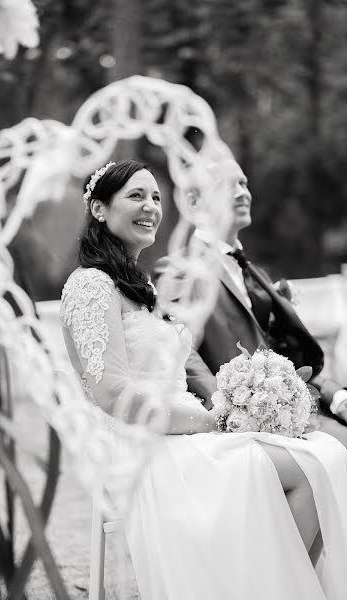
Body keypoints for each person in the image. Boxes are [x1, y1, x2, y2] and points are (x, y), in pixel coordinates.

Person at [60, 159, 347, 600]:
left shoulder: (137, 286)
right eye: (135, 196)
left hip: (187, 427)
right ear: (99, 210)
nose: (150, 207)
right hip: (145, 447)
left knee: (329, 457)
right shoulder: (91, 285)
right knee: (310, 472)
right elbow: (112, 392)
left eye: (155, 197)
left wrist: (220, 413)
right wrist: (210, 421)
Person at [172, 158, 347, 447]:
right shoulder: (184, 268)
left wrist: (335, 394)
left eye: (243, 183)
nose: (242, 192)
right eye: (228, 185)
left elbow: (284, 357)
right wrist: (227, 408)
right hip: (245, 423)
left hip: (297, 407)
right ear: (196, 201)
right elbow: (180, 350)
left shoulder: (255, 274)